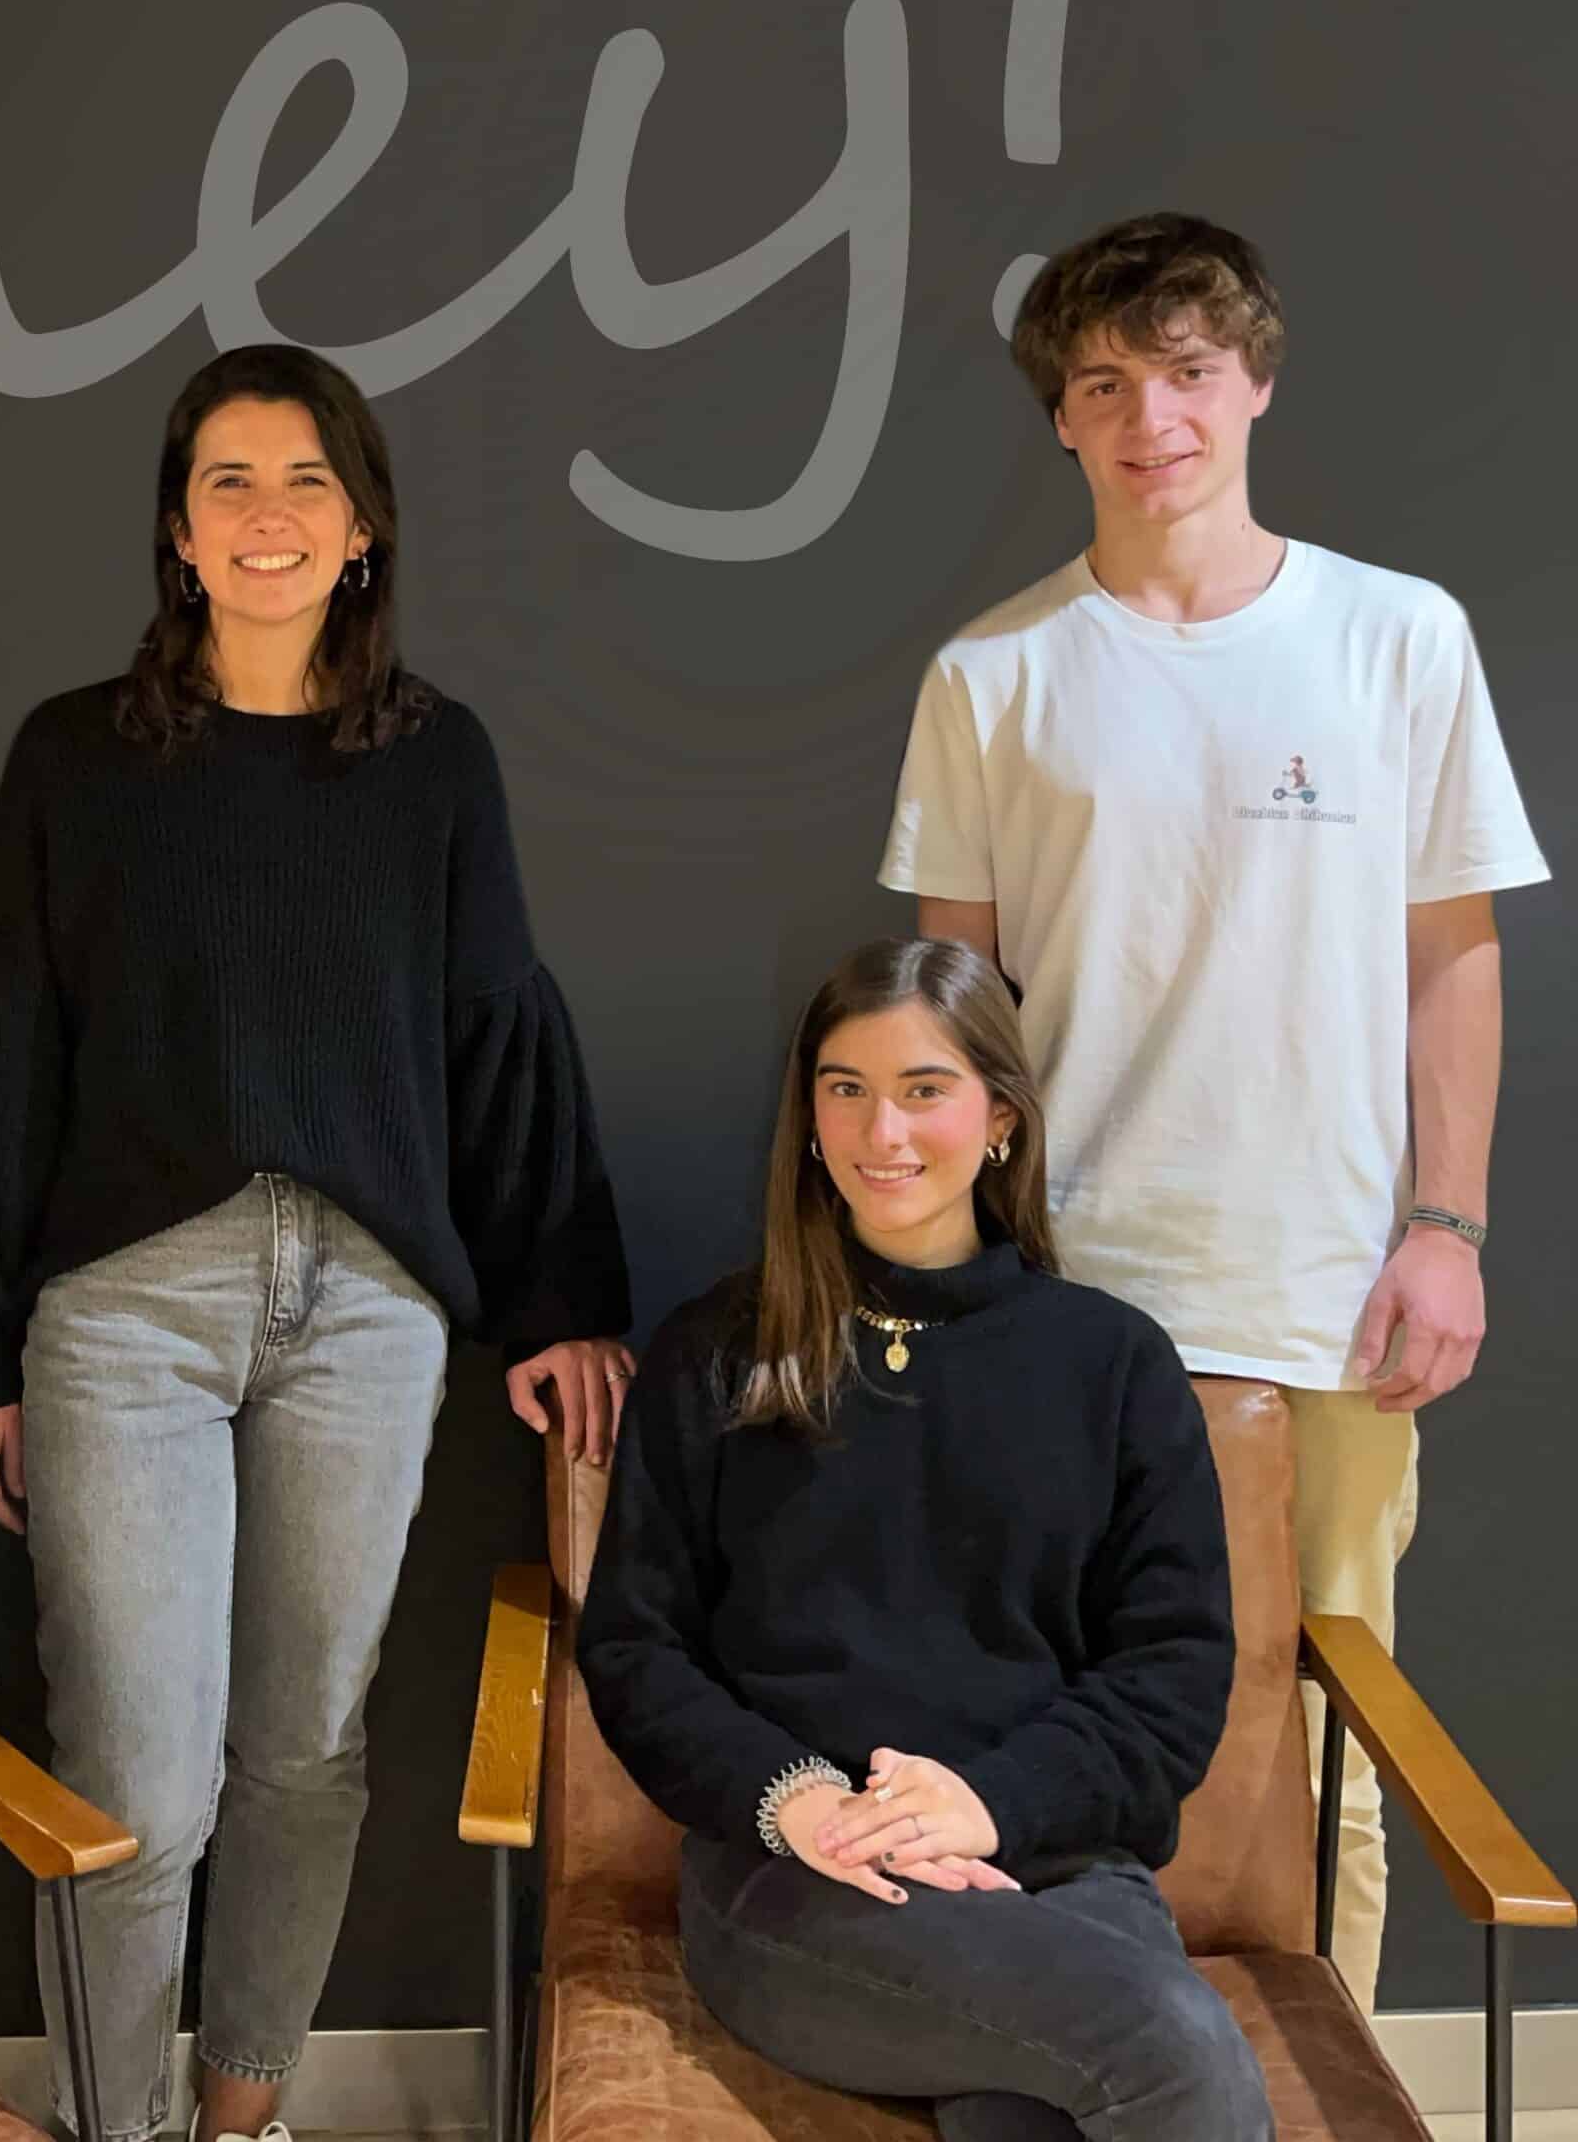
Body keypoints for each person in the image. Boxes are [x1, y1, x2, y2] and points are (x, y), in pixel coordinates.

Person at [0, 343, 634, 2142]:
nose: (268, 515)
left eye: (308, 481)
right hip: (128, 1313)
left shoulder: (436, 763)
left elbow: (495, 1033)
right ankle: (120, 2133)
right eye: (228, 480)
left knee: (305, 1752)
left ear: (364, 529)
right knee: (136, 1779)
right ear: (177, 527)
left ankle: (242, 2120)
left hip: (368, 1313)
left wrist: (556, 1296)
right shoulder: (77, 757)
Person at [878, 212, 1548, 2006]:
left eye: (1185, 372)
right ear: (1061, 420)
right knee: (1045, 1722)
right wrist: (960, 1284)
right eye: (1104, 384)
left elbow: (1452, 958)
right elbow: (954, 1021)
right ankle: (1086, 2076)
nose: (1150, 418)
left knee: (1328, 1744)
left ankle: (1319, 2096)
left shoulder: (1398, 638)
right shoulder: (992, 675)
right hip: (1064, 1296)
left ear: (1254, 382)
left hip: (1329, 1295)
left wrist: (1449, 1228)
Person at [578, 936, 1268, 2140]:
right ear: (807, 1117)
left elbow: (1171, 1674)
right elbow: (635, 1649)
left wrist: (988, 1800)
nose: (880, 1131)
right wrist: (798, 1800)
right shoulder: (716, 1351)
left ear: (1000, 1116)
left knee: (1035, 2114)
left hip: (1057, 1860)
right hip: (801, 1875)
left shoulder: (1111, 1363)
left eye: (922, 1089)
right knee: (1169, 2044)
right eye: (844, 1088)